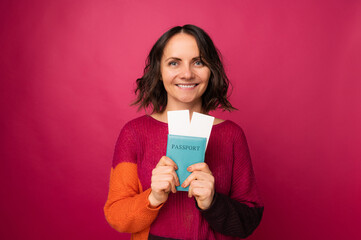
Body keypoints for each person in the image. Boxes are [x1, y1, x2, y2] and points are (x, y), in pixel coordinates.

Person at [104, 24, 264, 240]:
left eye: (198, 62)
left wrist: (212, 202)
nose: (187, 74)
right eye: (174, 63)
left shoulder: (232, 135)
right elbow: (116, 216)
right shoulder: (134, 133)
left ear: (211, 70)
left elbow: (248, 221)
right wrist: (153, 198)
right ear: (159, 71)